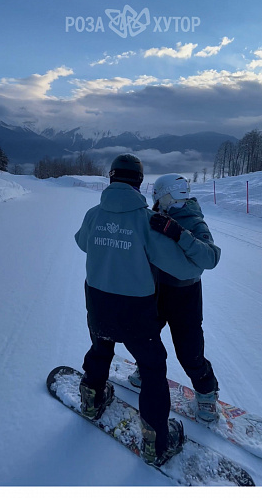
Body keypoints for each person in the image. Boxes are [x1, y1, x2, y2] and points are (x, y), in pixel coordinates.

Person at [74, 154, 215, 466]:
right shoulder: (145, 222)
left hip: (97, 304)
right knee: (153, 370)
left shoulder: (93, 213)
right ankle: (155, 442)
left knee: (100, 349)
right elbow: (182, 267)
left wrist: (109, 239)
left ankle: (90, 398)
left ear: (111, 179)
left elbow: (82, 242)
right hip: (135, 310)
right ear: (139, 183)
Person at [128, 173, 222, 424]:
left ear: (166, 195)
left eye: (157, 196)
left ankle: (206, 393)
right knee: (147, 336)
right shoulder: (156, 217)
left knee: (189, 350)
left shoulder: (193, 222)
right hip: (156, 290)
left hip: (185, 296)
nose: (155, 200)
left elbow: (210, 258)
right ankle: (145, 370)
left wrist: (178, 233)